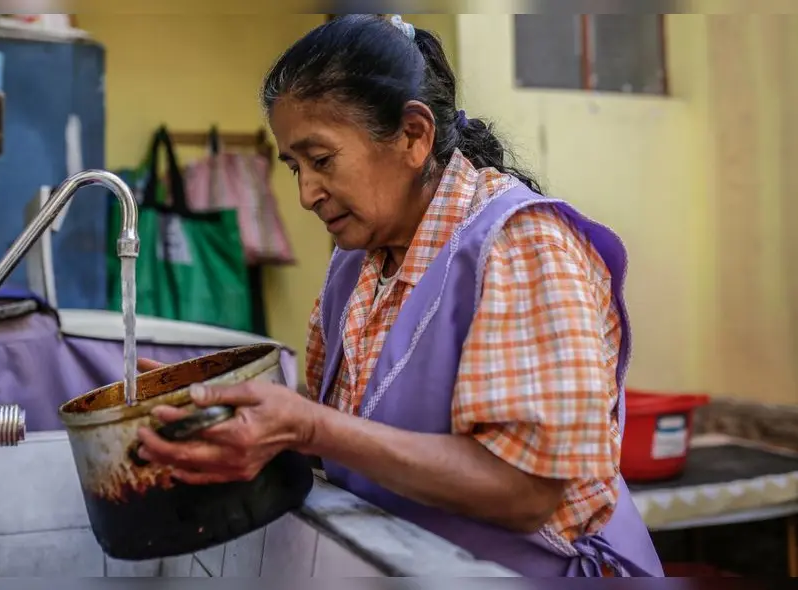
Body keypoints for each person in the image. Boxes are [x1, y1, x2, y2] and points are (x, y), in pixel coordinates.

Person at [135, 14, 664, 577]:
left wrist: (307, 427)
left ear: (414, 135)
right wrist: (235, 413)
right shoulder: (356, 265)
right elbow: (337, 426)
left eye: (321, 160)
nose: (307, 194)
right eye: (294, 167)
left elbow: (526, 491)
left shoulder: (521, 247)